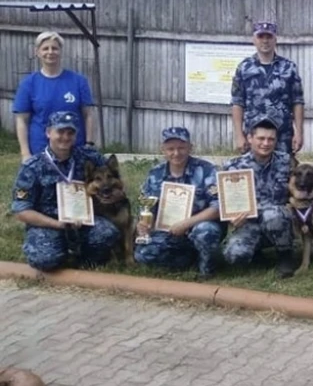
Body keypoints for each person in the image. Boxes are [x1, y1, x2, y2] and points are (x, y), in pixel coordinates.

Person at [10, 111, 119, 271]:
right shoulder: (32, 167)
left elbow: (112, 176)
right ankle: (62, 253)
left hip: (83, 221)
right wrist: (59, 224)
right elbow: (21, 211)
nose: (65, 137)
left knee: (108, 233)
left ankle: (83, 259)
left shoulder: (88, 157)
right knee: (44, 259)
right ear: (48, 132)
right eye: (60, 131)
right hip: (48, 224)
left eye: (70, 133)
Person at [134, 127, 225, 280]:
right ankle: (187, 258)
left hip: (200, 226)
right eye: (170, 149)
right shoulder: (155, 173)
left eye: (181, 148)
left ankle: (207, 268)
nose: (176, 153)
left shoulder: (207, 170)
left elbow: (218, 207)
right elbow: (147, 207)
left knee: (205, 231)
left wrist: (187, 223)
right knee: (142, 254)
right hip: (168, 229)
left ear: (190, 147)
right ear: (162, 150)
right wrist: (144, 224)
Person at [221, 117, 296, 279]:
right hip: (249, 223)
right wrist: (231, 218)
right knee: (233, 256)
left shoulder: (285, 161)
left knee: (273, 214)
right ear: (250, 138)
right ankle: (256, 253)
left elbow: (302, 184)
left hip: (278, 221)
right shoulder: (233, 167)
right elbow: (224, 202)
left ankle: (285, 255)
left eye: (271, 139)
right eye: (261, 138)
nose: (266, 143)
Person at [13, 31, 96, 161]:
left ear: (60, 51)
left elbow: (88, 115)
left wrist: (89, 144)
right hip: (40, 150)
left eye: (54, 48)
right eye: (45, 48)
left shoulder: (79, 81)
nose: (50, 52)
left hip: (75, 150)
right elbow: (22, 120)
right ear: (38, 52)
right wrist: (25, 153)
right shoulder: (28, 84)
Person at [230, 20, 305, 156]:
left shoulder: (289, 68)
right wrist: (239, 135)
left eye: (269, 37)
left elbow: (297, 102)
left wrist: (299, 132)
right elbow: (237, 103)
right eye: (261, 37)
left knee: (283, 174)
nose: (265, 41)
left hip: (283, 136)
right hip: (254, 136)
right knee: (254, 173)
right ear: (254, 39)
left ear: (275, 39)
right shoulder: (244, 68)